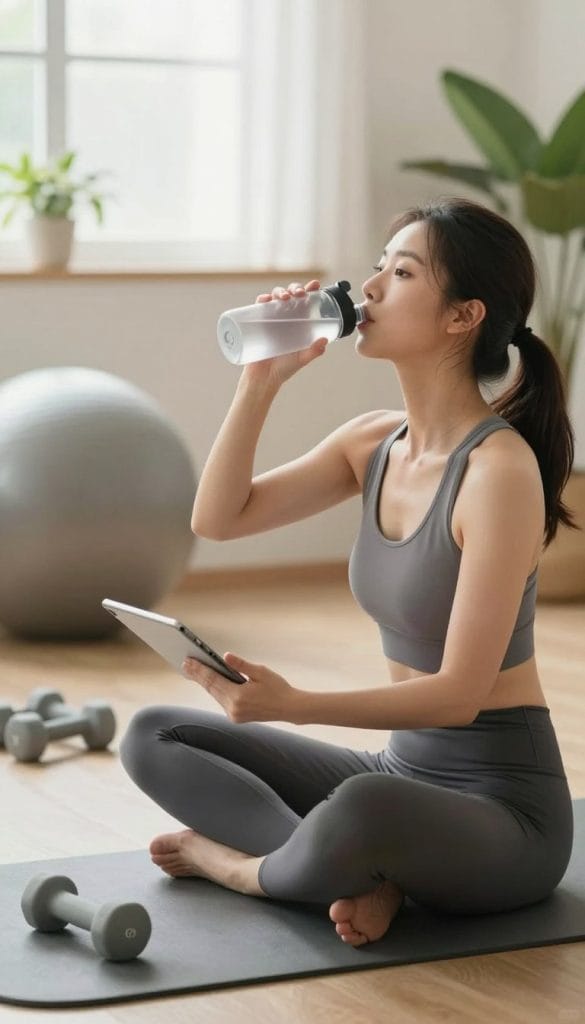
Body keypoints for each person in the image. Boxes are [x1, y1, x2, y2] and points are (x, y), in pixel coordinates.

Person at [120, 196, 579, 948]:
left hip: (502, 809)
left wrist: (292, 703)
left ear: (462, 316)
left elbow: (460, 696)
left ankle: (246, 869)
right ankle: (359, 873)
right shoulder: (372, 442)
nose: (366, 290)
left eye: (400, 273)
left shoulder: (499, 472)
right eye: (376, 267)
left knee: (363, 808)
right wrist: (260, 380)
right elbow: (219, 518)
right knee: (154, 734)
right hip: (398, 772)